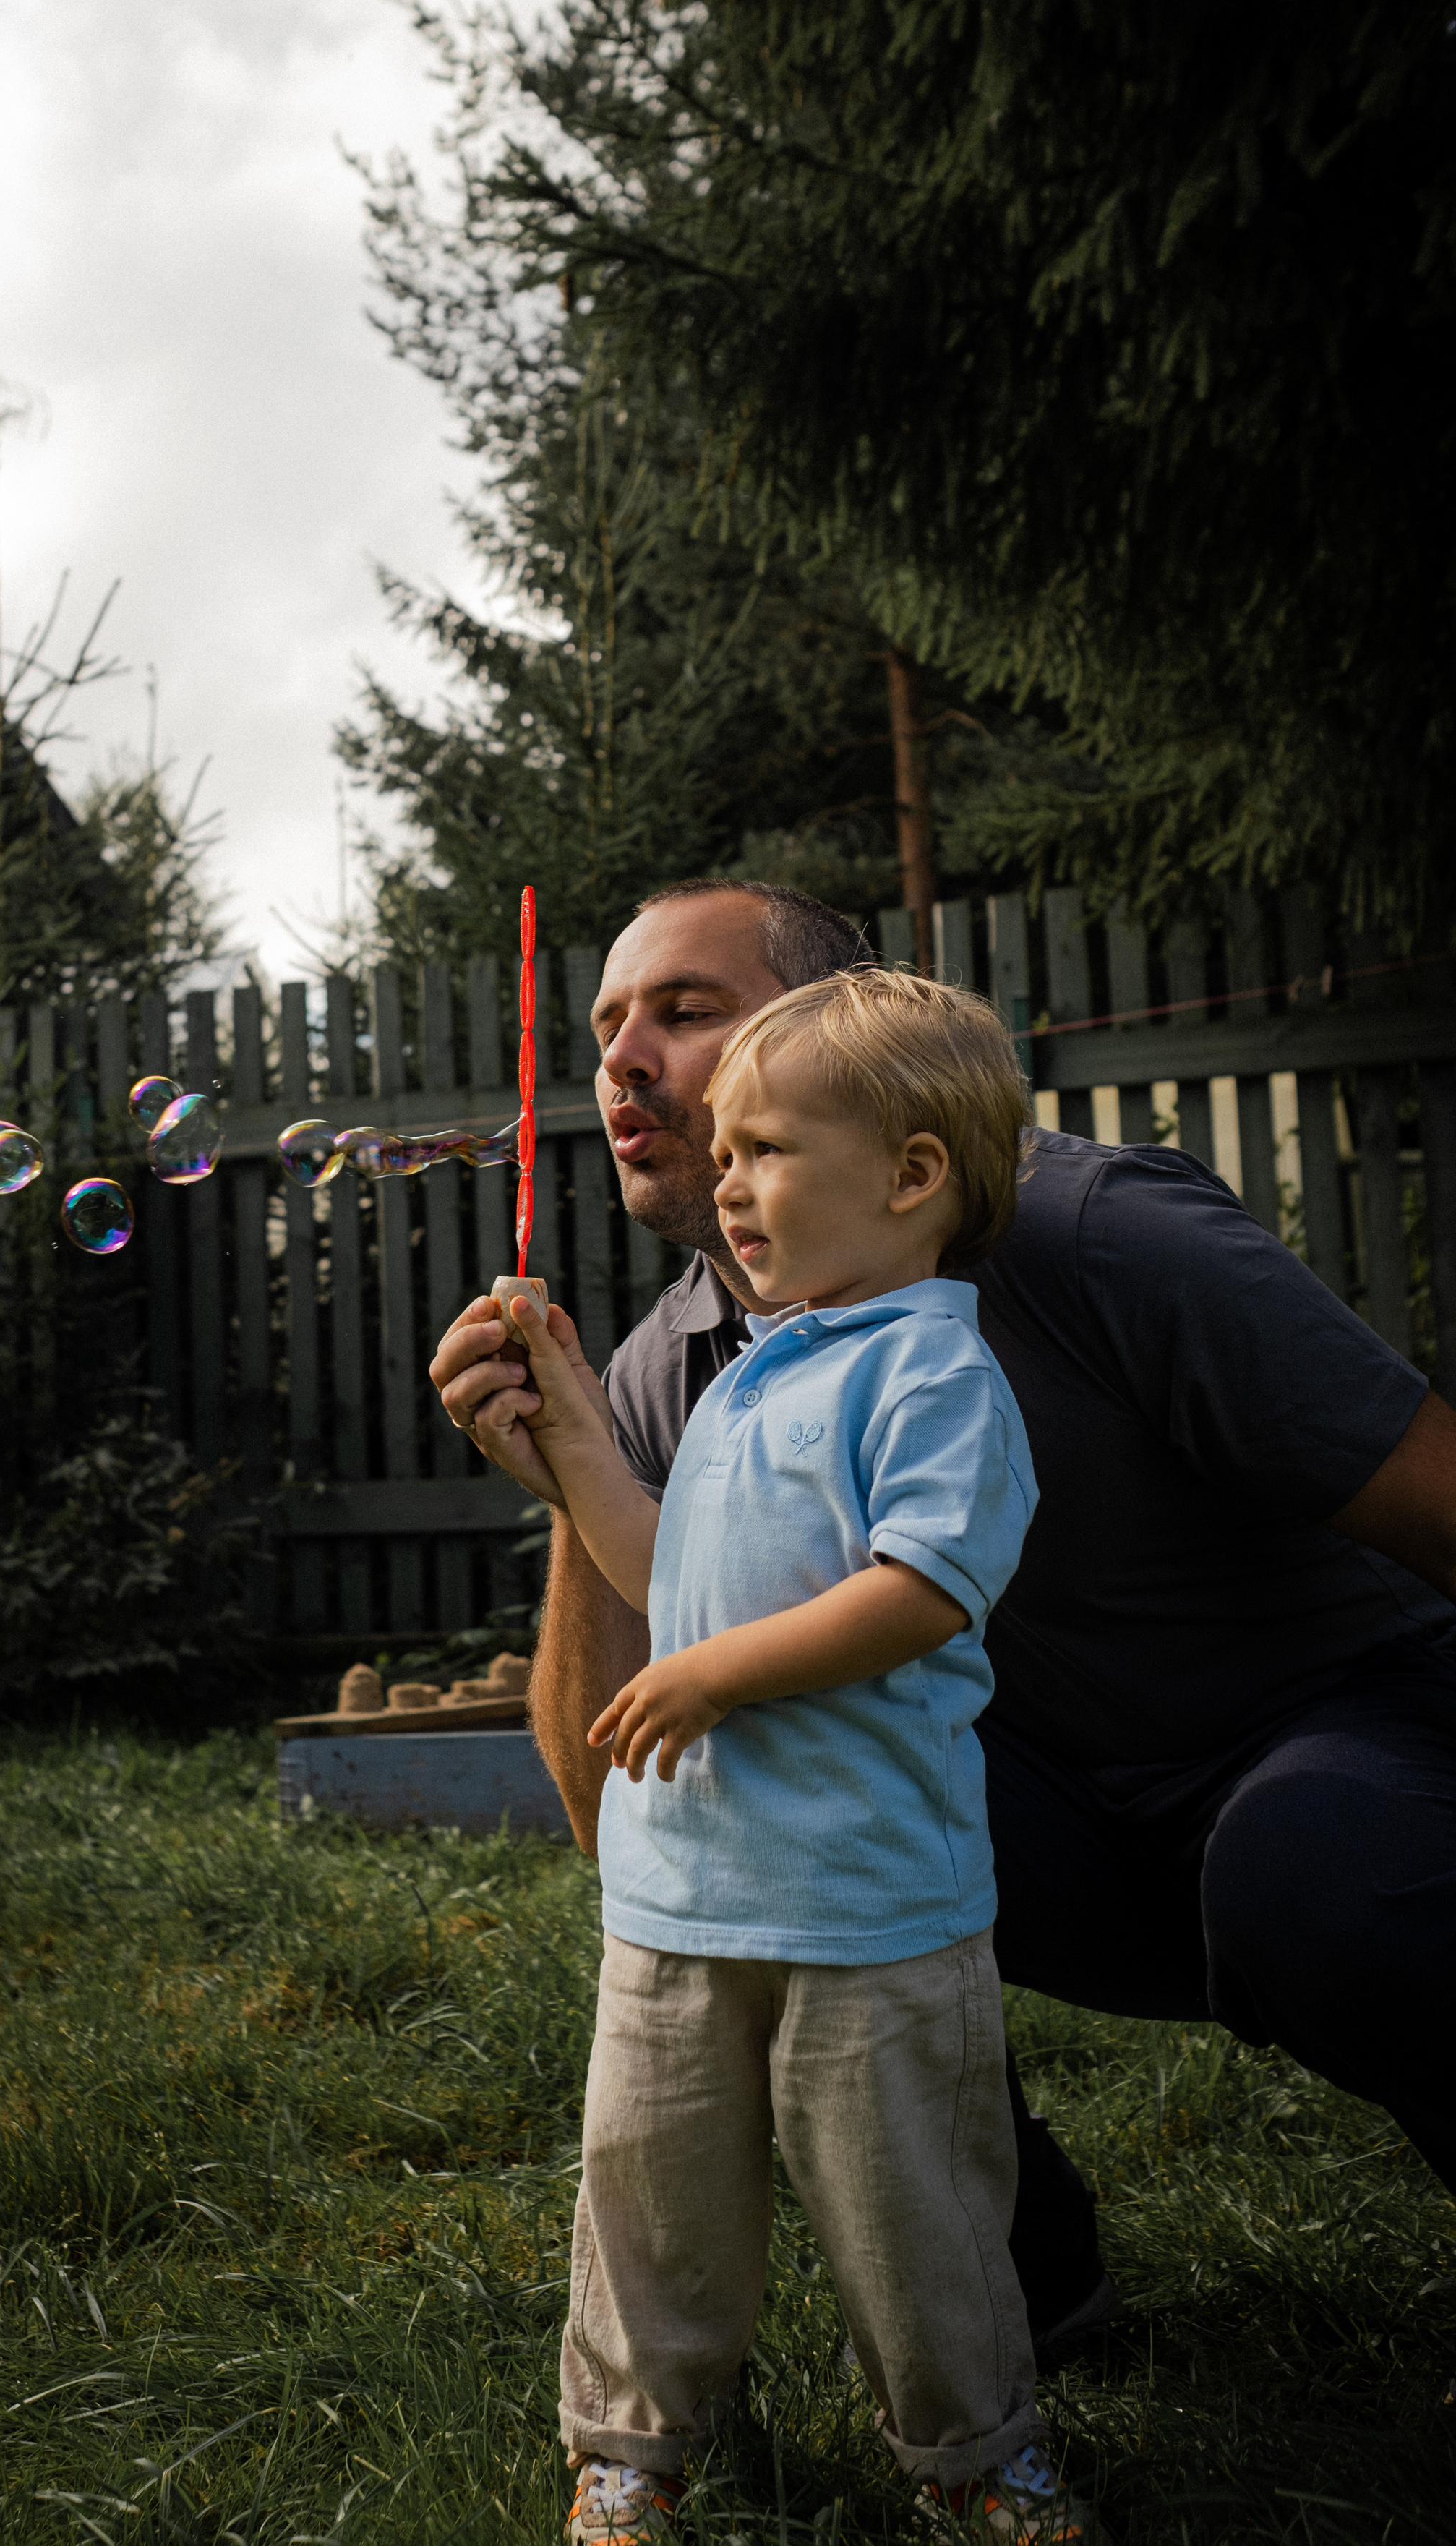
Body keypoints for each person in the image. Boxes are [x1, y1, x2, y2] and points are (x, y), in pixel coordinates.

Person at [431, 878, 1456, 2359]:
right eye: (604, 1026)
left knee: (1306, 1868)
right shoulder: (673, 1371)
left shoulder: (1088, 1232)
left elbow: (1430, 1495)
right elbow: (628, 1813)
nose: (622, 1059)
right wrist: (567, 1471)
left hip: (1347, 1761)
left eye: (684, 1010)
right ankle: (1020, 2288)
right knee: (749, 1881)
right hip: (1055, 1837)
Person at [505, 965, 1106, 2545]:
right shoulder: (746, 1373)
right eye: (724, 1157)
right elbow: (662, 1570)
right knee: (649, 2197)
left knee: (909, 2211)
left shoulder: (931, 1375)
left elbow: (916, 1592)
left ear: (910, 1178)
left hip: (867, 1908)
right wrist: (569, 1426)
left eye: (764, 1149)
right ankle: (630, 2443)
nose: (727, 1180)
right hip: (679, 1895)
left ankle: (974, 2448)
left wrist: (706, 1678)